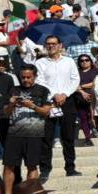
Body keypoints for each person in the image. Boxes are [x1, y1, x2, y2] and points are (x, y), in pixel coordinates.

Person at [0, 64, 52, 194]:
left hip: (34, 134)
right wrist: (11, 105)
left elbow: (46, 112)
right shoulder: (13, 90)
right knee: (9, 165)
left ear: (35, 76)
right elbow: (6, 112)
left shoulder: (43, 91)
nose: (26, 80)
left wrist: (32, 106)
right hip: (14, 134)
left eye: (29, 77)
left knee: (32, 166)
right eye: (23, 77)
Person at [34, 35, 81, 179]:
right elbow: (40, 81)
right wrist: (55, 94)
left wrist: (64, 94)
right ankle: (45, 169)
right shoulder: (40, 62)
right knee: (46, 138)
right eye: (48, 44)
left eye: (54, 44)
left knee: (68, 136)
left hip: (67, 101)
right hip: (49, 102)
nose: (51, 46)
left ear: (60, 45)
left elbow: (75, 79)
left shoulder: (69, 61)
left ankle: (70, 167)